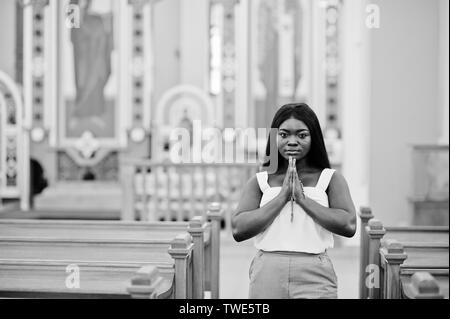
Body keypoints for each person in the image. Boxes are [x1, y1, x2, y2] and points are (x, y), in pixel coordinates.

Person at [231, 103, 357, 299]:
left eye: (301, 135)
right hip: (268, 270)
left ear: (313, 138)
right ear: (274, 137)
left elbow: (348, 225)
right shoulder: (261, 179)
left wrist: (301, 198)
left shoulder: (330, 179)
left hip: (315, 271)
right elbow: (238, 229)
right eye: (284, 135)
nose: (292, 141)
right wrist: (282, 197)